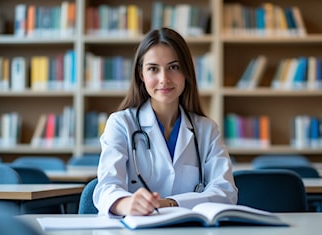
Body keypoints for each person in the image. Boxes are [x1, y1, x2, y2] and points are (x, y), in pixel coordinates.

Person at [93, 27, 238, 216]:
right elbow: (106, 189)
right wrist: (126, 203)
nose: (164, 79)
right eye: (153, 69)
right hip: (136, 234)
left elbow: (225, 192)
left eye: (174, 67)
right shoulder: (121, 124)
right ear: (141, 75)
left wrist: (170, 203)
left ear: (186, 72)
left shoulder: (207, 130)